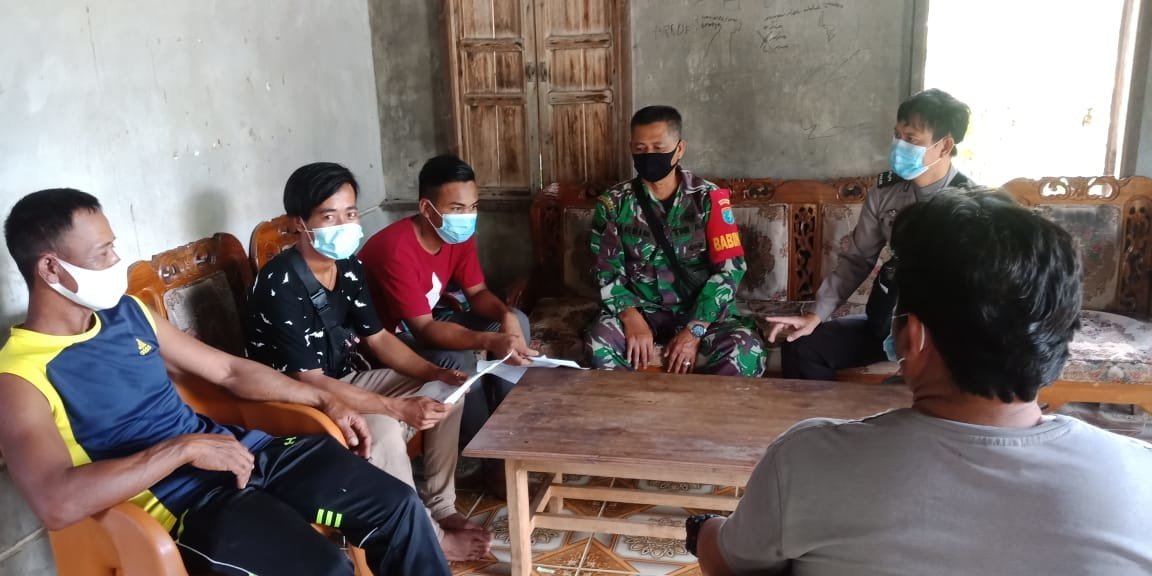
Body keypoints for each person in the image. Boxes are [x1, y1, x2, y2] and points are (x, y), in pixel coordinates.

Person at [688, 189, 1152, 575]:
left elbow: (729, 563)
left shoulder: (807, 461)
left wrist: (701, 528)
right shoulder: (1139, 475)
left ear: (912, 336)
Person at [0, 188, 451, 575]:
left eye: (112, 247)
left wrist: (323, 399)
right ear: (51, 268)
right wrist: (184, 449)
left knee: (396, 507)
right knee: (326, 567)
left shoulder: (127, 313)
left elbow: (229, 371)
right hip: (186, 504)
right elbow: (57, 503)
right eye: (101, 254)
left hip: (245, 452)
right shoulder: (19, 376)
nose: (116, 261)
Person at [245, 162, 491, 562]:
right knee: (382, 426)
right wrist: (395, 407)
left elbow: (378, 338)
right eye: (329, 216)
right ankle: (427, 536)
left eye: (351, 213)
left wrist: (435, 372)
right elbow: (310, 381)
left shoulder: (348, 266)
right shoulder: (279, 285)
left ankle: (441, 504)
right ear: (299, 223)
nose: (344, 224)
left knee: (450, 390)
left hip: (346, 378)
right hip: (295, 400)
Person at [766, 88, 972, 380]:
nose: (899, 145)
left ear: (945, 145)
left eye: (911, 139)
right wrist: (816, 314)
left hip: (943, 335)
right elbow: (857, 259)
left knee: (912, 386)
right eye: (897, 135)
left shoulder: (971, 205)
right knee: (802, 346)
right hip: (888, 322)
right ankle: (819, 413)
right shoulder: (886, 192)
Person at [358, 154, 536, 448]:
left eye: (473, 207)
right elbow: (424, 330)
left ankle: (508, 424)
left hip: (428, 318)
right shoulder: (395, 249)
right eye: (457, 208)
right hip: (389, 337)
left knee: (517, 319)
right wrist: (489, 340)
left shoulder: (456, 236)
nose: (467, 216)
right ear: (426, 208)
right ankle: (481, 448)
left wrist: (505, 316)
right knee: (458, 360)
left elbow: (477, 293)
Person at [585, 105, 765, 377]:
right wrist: (630, 317)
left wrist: (695, 330)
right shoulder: (613, 204)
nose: (649, 156)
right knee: (599, 341)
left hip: (700, 311)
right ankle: (627, 404)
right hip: (642, 308)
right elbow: (606, 271)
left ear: (679, 149)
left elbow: (730, 270)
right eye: (641, 149)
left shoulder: (709, 199)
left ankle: (708, 407)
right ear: (631, 148)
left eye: (659, 148)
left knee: (745, 349)